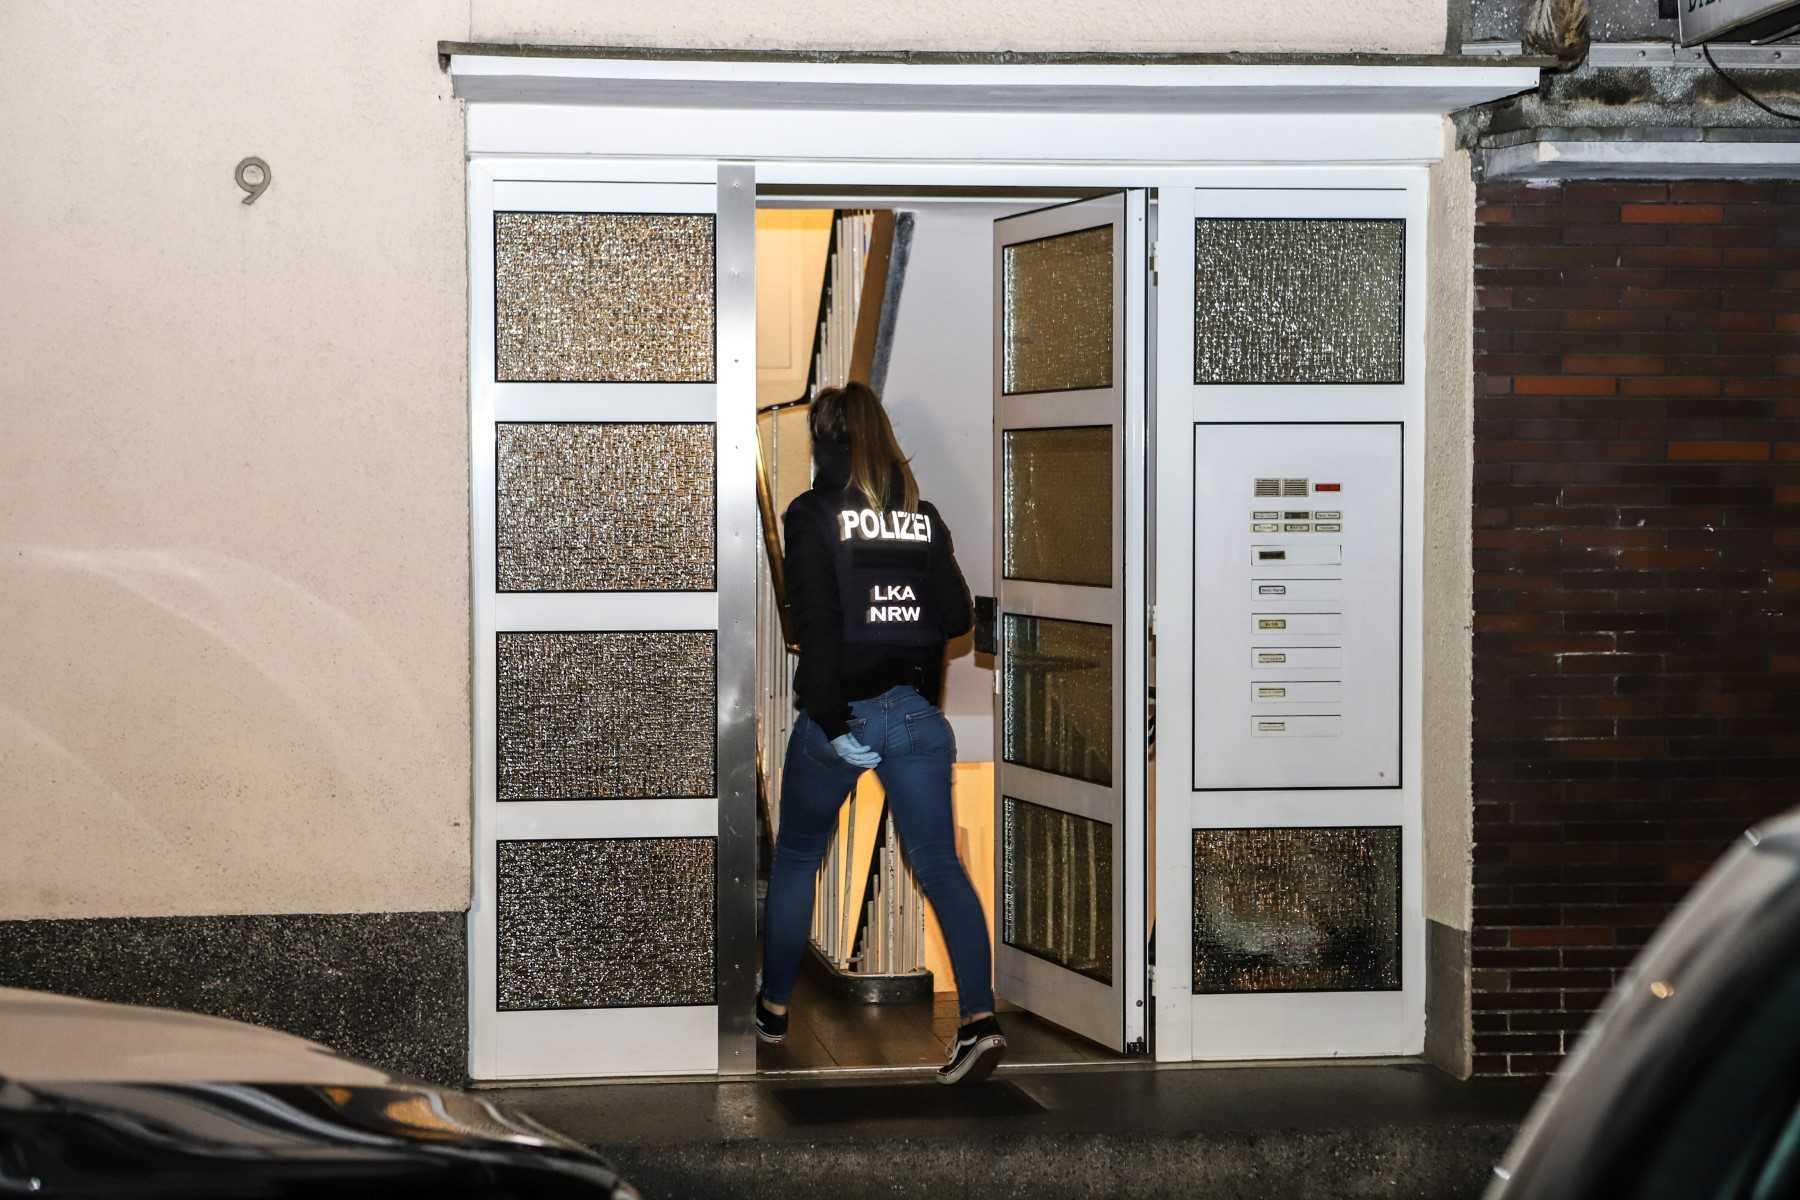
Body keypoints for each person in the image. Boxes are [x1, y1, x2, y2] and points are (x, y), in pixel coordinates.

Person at [755, 381, 1006, 1087]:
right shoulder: (921, 519)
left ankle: (773, 1010)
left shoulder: (811, 515)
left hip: (847, 715)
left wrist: (832, 720)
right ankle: (980, 1021)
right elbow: (957, 614)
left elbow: (816, 626)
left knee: (800, 857)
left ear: (826, 443)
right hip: (920, 717)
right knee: (941, 868)